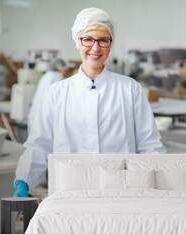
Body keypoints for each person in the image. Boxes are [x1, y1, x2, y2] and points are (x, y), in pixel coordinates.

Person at [14, 7, 165, 197]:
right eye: (88, 39)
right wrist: (23, 179)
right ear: (77, 42)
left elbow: (150, 145)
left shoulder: (129, 89)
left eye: (103, 40)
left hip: (122, 194)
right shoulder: (56, 93)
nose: (95, 47)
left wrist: (162, 184)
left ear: (110, 44)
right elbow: (39, 145)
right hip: (69, 193)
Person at [27, 58, 67, 131]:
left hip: (34, 115)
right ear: (60, 67)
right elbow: (60, 99)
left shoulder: (46, 75)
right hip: (43, 119)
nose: (65, 71)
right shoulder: (56, 76)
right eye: (64, 68)